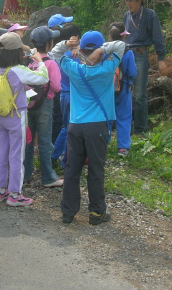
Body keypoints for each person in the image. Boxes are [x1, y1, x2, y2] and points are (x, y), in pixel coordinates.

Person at [50, 30, 125, 225]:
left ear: (81, 49)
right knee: (96, 169)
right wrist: (100, 50)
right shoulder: (108, 68)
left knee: (72, 169)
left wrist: (67, 43)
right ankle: (97, 212)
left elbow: (55, 54)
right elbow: (121, 45)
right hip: (97, 127)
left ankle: (68, 212)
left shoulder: (74, 69)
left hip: (75, 126)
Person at [0, 32, 49, 207]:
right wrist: (39, 60)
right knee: (17, 154)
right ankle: (15, 194)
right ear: (17, 52)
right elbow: (43, 78)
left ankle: (0, 190)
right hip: (16, 116)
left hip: (0, 116)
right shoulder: (18, 70)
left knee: (2, 153)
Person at [121, 0, 167, 136]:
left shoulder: (149, 15)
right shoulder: (126, 16)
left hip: (141, 54)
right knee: (125, 91)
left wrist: (161, 58)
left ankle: (141, 129)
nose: (128, 3)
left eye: (131, 0)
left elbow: (158, 37)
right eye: (127, 0)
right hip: (127, 54)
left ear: (139, 1)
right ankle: (128, 126)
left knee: (139, 94)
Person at [24, 26, 63, 188]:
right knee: (45, 141)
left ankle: (25, 174)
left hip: (28, 103)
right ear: (48, 44)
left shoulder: (28, 61)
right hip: (45, 104)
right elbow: (56, 86)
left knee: (28, 140)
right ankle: (47, 177)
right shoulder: (50, 63)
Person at [51, 23, 81, 166]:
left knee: (65, 127)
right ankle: (66, 162)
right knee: (72, 130)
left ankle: (53, 155)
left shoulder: (62, 56)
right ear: (77, 38)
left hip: (62, 95)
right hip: (74, 96)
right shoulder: (80, 57)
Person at [108, 22, 137, 156]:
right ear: (123, 37)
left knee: (107, 117)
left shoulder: (104, 51)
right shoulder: (128, 52)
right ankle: (123, 148)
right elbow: (132, 72)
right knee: (124, 117)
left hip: (107, 91)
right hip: (124, 89)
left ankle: (103, 143)